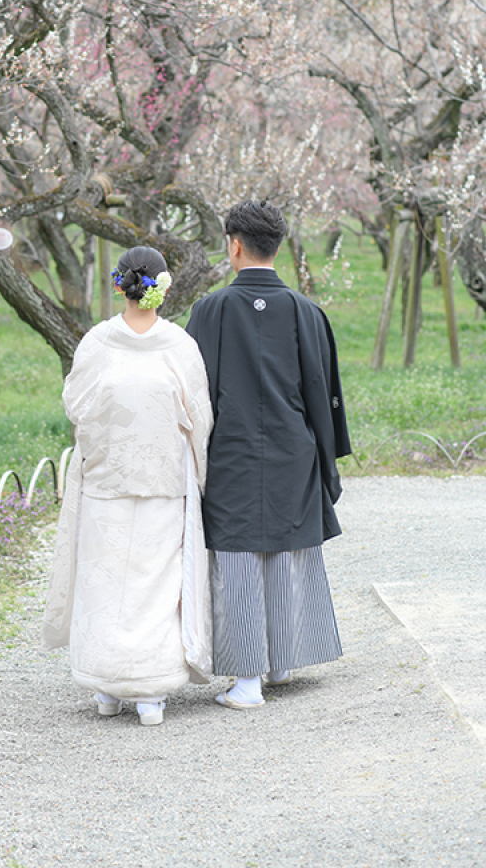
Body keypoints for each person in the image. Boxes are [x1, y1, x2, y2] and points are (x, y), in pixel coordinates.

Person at [186, 201, 351, 709]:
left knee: (235, 558)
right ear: (277, 246)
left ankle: (247, 681)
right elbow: (325, 393)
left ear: (234, 245)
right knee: (286, 549)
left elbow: (195, 395)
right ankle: (282, 661)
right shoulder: (307, 311)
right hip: (292, 449)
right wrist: (326, 458)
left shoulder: (210, 310)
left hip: (231, 451)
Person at [42, 245, 214, 726]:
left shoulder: (98, 342)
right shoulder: (179, 346)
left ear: (119, 284)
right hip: (163, 477)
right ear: (163, 287)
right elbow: (200, 416)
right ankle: (150, 691)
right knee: (154, 581)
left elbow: (76, 403)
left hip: (107, 476)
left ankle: (107, 687)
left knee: (105, 578)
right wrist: (198, 467)